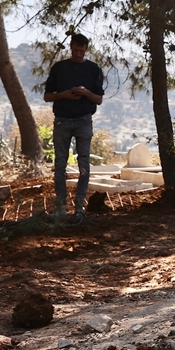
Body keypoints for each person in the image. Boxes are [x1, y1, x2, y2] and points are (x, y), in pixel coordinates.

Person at [43, 33, 104, 224]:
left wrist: (85, 92)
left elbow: (99, 99)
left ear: (86, 49)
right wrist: (63, 95)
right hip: (62, 120)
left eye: (81, 50)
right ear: (71, 48)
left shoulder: (93, 69)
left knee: (84, 165)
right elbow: (47, 96)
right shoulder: (60, 68)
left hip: (84, 120)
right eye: (76, 50)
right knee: (60, 165)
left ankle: (80, 208)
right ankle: (61, 207)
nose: (78, 53)